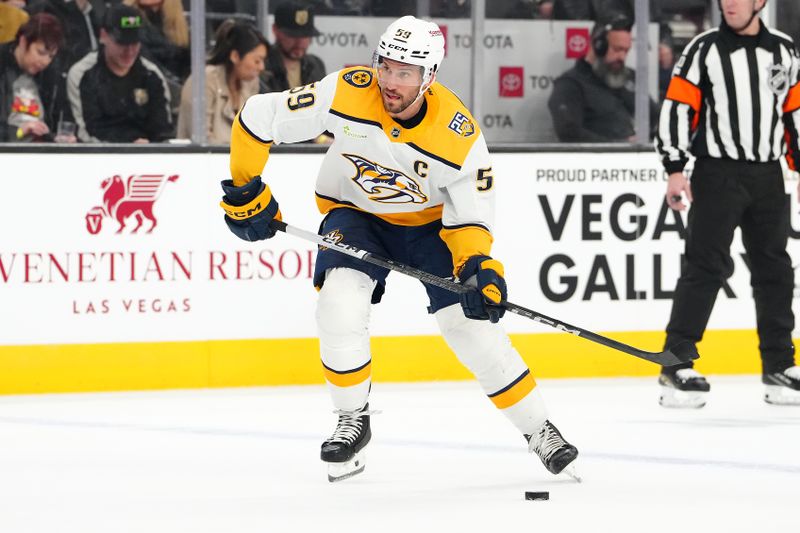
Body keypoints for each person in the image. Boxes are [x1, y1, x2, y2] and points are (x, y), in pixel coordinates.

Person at [219, 15, 580, 483]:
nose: (389, 81)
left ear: (429, 77)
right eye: (385, 66)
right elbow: (257, 117)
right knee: (338, 304)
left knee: (469, 329)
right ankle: (352, 417)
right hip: (358, 216)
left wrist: (478, 269)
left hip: (432, 229)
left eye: (404, 72)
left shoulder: (460, 137)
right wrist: (246, 190)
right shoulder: (346, 90)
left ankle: (539, 429)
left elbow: (471, 217)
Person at [655, 0, 800, 407]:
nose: (730, 3)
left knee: (775, 268)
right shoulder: (703, 49)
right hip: (717, 173)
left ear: (761, 3)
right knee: (705, 266)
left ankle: (779, 366)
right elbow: (678, 107)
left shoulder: (784, 51)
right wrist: (675, 167)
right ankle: (676, 364)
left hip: (768, 174)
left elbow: (794, 112)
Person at [67, 3, 173, 143]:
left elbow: (163, 131)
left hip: (148, 157)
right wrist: (126, 148)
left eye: (135, 43)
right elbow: (84, 133)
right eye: (122, 43)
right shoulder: (82, 74)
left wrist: (149, 148)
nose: (129, 51)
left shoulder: (152, 75)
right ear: (103, 36)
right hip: (99, 157)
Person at [548, 14, 658, 142]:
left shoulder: (629, 78)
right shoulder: (570, 85)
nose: (622, 57)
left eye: (626, 51)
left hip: (638, 157)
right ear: (599, 45)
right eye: (617, 49)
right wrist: (618, 146)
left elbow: (656, 115)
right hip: (596, 160)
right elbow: (569, 133)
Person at [176, 20, 267, 144]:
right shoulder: (203, 81)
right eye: (257, 61)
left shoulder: (251, 83)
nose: (262, 67)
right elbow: (201, 139)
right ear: (235, 56)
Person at [0, 12, 65, 142]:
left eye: (51, 56)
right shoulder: (2, 65)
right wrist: (19, 131)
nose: (45, 61)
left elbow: (57, 122)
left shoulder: (50, 75)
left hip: (41, 150)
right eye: (41, 53)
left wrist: (59, 139)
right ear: (23, 42)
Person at [260, 0, 325, 93]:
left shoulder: (316, 65)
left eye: (305, 36)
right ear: (275, 30)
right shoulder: (261, 66)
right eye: (292, 35)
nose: (299, 42)